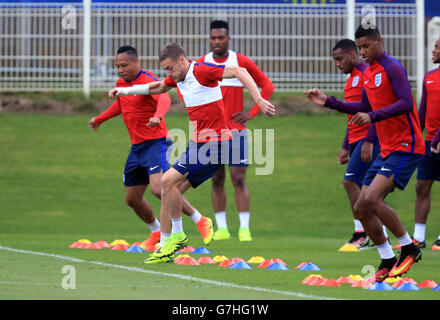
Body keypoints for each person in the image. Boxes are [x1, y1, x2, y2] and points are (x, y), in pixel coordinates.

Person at [109, 42, 275, 264]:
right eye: (165, 69)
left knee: (167, 182)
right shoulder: (177, 77)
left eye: (170, 68)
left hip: (214, 144)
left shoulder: (202, 70)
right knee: (169, 192)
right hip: (198, 144)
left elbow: (239, 71)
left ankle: (176, 236)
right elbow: (157, 87)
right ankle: (166, 246)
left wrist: (259, 99)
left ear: (181, 61)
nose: (168, 74)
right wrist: (126, 90)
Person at [305, 25, 424, 282]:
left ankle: (408, 247)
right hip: (388, 147)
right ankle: (387, 258)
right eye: (360, 47)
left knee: (371, 199)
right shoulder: (369, 74)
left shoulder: (392, 67)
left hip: (406, 144)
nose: (363, 51)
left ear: (379, 41)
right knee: (361, 206)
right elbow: (363, 106)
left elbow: (405, 102)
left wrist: (372, 117)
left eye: (366, 46)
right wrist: (328, 102)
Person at [89, 45, 214, 248]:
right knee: (132, 198)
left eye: (124, 65)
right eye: (117, 66)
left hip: (155, 144)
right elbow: (121, 104)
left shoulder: (147, 79)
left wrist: (158, 115)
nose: (120, 70)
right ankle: (156, 232)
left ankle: (200, 220)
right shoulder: (121, 83)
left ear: (135, 62)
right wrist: (100, 119)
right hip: (136, 148)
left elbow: (164, 97)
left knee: (159, 189)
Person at [197, 20, 274, 242]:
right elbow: (184, 88)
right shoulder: (203, 64)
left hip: (236, 132)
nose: (217, 41)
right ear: (210, 39)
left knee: (238, 178)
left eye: (221, 37)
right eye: (213, 38)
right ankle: (221, 229)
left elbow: (267, 85)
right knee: (216, 178)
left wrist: (251, 112)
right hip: (210, 133)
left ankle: (244, 229)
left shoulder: (239, 62)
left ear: (228, 39)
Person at [332, 39, 381, 249]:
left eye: (340, 59)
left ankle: (362, 233)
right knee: (366, 189)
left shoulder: (366, 75)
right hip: (354, 140)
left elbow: (373, 111)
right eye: (335, 60)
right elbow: (352, 117)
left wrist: (369, 139)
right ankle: (377, 233)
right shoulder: (350, 79)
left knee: (351, 183)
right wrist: (345, 146)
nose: (337, 64)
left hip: (368, 139)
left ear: (353, 55)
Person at [406, 36, 440, 250]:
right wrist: (412, 135)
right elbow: (422, 113)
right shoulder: (429, 77)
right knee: (421, 186)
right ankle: (418, 237)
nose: (433, 50)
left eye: (437, 47)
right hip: (429, 144)